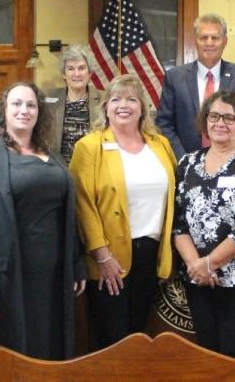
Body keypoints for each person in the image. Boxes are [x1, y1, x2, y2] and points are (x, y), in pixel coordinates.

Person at [0, 82, 87, 360]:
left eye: (31, 105)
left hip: (54, 274)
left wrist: (76, 263)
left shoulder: (52, 156)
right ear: (4, 110)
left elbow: (68, 214)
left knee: (51, 345)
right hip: (7, 274)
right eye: (16, 103)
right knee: (11, 351)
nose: (24, 110)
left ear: (39, 112)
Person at [70, 74, 177, 350]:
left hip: (150, 255)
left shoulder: (160, 144)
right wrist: (102, 255)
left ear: (142, 107)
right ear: (105, 107)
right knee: (111, 340)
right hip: (109, 258)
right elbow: (82, 205)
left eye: (131, 98)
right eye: (115, 99)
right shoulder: (90, 146)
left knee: (139, 335)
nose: (123, 105)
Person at [173, 90, 235, 359]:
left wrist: (210, 263)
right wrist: (196, 265)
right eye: (214, 116)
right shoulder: (188, 163)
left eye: (229, 117)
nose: (220, 123)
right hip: (198, 279)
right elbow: (178, 223)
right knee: (206, 352)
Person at [157, 14, 235, 157]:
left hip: (231, 164)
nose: (209, 43)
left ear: (224, 42)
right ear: (195, 41)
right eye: (203, 37)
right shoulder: (175, 77)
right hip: (185, 163)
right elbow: (164, 124)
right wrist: (185, 160)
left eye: (215, 38)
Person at [44, 46, 105, 163]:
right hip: (59, 170)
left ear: (90, 73)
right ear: (63, 74)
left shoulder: (104, 99)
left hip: (92, 168)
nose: (76, 74)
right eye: (70, 69)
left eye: (81, 68)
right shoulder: (48, 99)